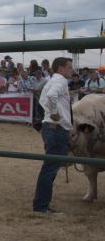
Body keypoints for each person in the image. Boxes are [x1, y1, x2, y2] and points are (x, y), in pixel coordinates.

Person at [32, 57, 74, 213]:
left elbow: (44, 100)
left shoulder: (52, 80)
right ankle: (41, 206)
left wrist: (52, 112)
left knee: (49, 167)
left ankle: (41, 204)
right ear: (61, 68)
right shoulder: (60, 80)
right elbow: (51, 96)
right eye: (69, 67)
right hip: (56, 128)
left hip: (51, 128)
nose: (71, 70)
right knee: (50, 168)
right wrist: (55, 113)